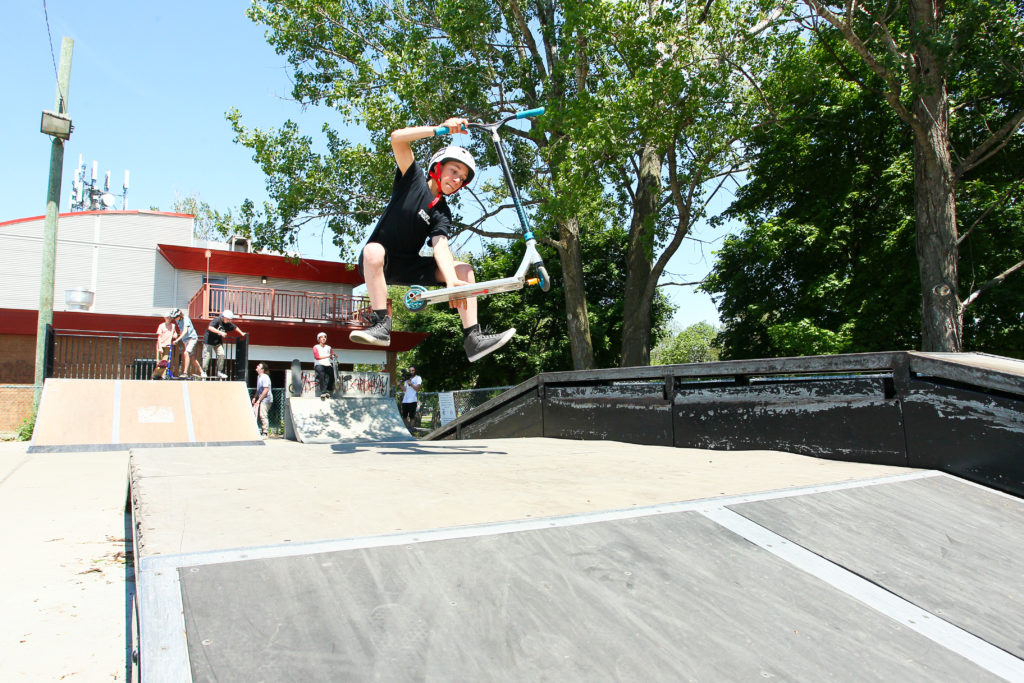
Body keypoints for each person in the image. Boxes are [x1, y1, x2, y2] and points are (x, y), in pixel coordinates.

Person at [349, 116, 516, 363]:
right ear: (438, 167)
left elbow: (441, 247)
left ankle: (473, 339)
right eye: (454, 171)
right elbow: (397, 138)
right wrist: (440, 130)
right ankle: (381, 324)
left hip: (409, 266)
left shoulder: (442, 212)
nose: (457, 179)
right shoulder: (412, 180)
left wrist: (451, 281)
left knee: (464, 270)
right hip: (379, 263)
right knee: (373, 250)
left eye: (462, 177)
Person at [202, 309, 246, 379]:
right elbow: (210, 327)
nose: (229, 321)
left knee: (221, 354)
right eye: (228, 319)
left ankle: (219, 372)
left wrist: (242, 333)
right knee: (207, 356)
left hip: (217, 342)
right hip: (208, 341)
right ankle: (204, 371)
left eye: (230, 319)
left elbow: (235, 328)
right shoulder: (217, 320)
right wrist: (220, 332)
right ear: (224, 317)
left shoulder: (228, 324)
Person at [170, 308, 205, 378]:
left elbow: (185, 330)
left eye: (176, 317)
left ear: (180, 315)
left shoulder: (185, 319)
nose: (175, 319)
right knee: (192, 357)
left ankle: (185, 372)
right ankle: (202, 372)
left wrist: (177, 340)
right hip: (185, 340)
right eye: (174, 318)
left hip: (192, 338)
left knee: (186, 353)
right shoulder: (178, 321)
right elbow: (181, 330)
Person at [152, 311, 176, 379]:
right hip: (161, 345)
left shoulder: (173, 326)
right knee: (159, 361)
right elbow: (159, 337)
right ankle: (157, 375)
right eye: (168, 318)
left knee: (165, 361)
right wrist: (159, 347)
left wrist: (175, 336)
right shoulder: (161, 326)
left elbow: (174, 334)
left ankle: (163, 375)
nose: (169, 319)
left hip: (168, 345)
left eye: (170, 318)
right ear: (165, 318)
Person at [312, 332, 336, 399]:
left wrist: (333, 356)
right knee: (321, 374)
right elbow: (317, 357)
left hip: (327, 364)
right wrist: (328, 356)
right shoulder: (315, 347)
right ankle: (323, 391)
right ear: (318, 339)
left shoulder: (329, 347)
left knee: (332, 374)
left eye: (325, 337)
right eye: (322, 337)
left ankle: (328, 390)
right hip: (319, 364)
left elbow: (331, 356)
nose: (323, 338)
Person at [252, 362, 272, 438]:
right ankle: (258, 430)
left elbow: (266, 390)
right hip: (261, 398)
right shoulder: (259, 377)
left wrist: (259, 400)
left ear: (262, 369)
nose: (257, 366)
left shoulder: (265, 377)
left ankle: (265, 433)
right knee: (256, 414)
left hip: (267, 399)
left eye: (259, 366)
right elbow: (258, 389)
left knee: (262, 415)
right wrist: (255, 397)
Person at [400, 366, 421, 430]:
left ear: (415, 371)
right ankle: (408, 428)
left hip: (413, 400)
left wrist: (411, 384)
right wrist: (400, 385)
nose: (411, 372)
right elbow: (405, 389)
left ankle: (411, 430)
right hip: (405, 400)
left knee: (412, 417)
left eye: (413, 370)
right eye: (410, 371)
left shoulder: (418, 378)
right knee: (404, 417)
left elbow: (417, 389)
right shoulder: (407, 378)